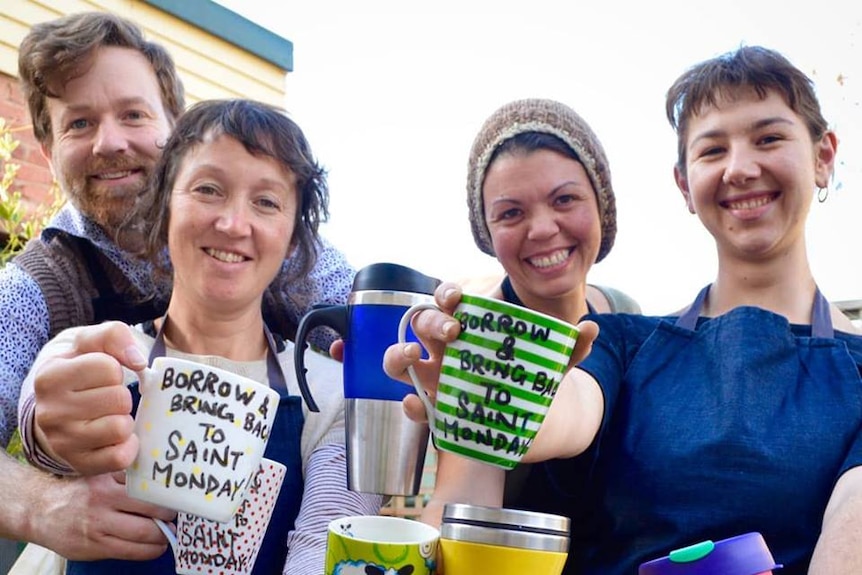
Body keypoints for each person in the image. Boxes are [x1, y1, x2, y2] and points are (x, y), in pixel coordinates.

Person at [385, 46, 862, 574]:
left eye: (768, 138)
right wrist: (473, 391)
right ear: (684, 184)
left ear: (823, 157)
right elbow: (561, 414)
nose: (741, 168)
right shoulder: (622, 340)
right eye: (712, 150)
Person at [0, 11, 355, 560]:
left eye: (133, 114)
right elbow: (41, 405)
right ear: (47, 152)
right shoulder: (33, 289)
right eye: (79, 123)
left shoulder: (298, 266)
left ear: (174, 131)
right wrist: (40, 493)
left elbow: (380, 343)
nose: (109, 142)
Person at [421, 99, 639, 563]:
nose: (542, 229)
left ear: (601, 205)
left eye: (564, 199)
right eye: (511, 213)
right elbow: (456, 503)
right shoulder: (477, 336)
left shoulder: (625, 315)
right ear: (487, 231)